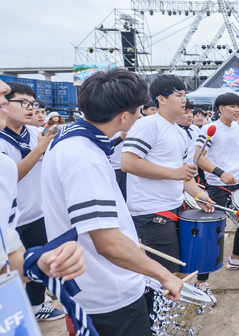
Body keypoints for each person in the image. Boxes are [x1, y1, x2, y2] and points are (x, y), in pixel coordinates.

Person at [41, 69, 185, 336]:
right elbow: (107, 243)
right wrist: (162, 275)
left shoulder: (70, 137)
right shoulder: (84, 158)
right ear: (123, 116)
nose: (141, 117)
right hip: (107, 294)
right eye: (139, 111)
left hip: (90, 287)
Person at [121, 75, 216, 281]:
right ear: (161, 99)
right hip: (151, 211)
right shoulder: (148, 125)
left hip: (175, 206)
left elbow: (184, 174)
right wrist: (173, 174)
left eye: (184, 95)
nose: (184, 100)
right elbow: (128, 163)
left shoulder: (179, 132)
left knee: (182, 268)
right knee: (163, 276)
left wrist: (200, 194)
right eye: (178, 95)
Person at [0, 82, 65, 321]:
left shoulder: (33, 133)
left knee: (38, 259)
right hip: (11, 219)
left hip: (37, 212)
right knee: (9, 271)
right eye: (23, 103)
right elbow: (12, 175)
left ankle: (37, 307)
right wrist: (39, 149)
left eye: (33, 103)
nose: (30, 108)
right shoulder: (5, 140)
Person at [194, 92, 239, 273]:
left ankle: (235, 258)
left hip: (236, 183)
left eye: (238, 106)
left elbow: (234, 151)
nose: (237, 110)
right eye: (233, 106)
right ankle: (203, 275)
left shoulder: (236, 128)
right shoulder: (209, 129)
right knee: (215, 231)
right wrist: (220, 173)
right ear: (221, 109)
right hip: (217, 186)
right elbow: (198, 158)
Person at [176, 100, 198, 165]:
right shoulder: (172, 131)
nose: (190, 115)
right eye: (186, 113)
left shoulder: (195, 129)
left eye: (191, 112)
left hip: (194, 170)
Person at [109, 131, 128, 199]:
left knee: (125, 197)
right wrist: (121, 138)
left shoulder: (128, 129)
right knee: (113, 196)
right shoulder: (107, 129)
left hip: (124, 168)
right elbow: (106, 146)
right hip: (112, 168)